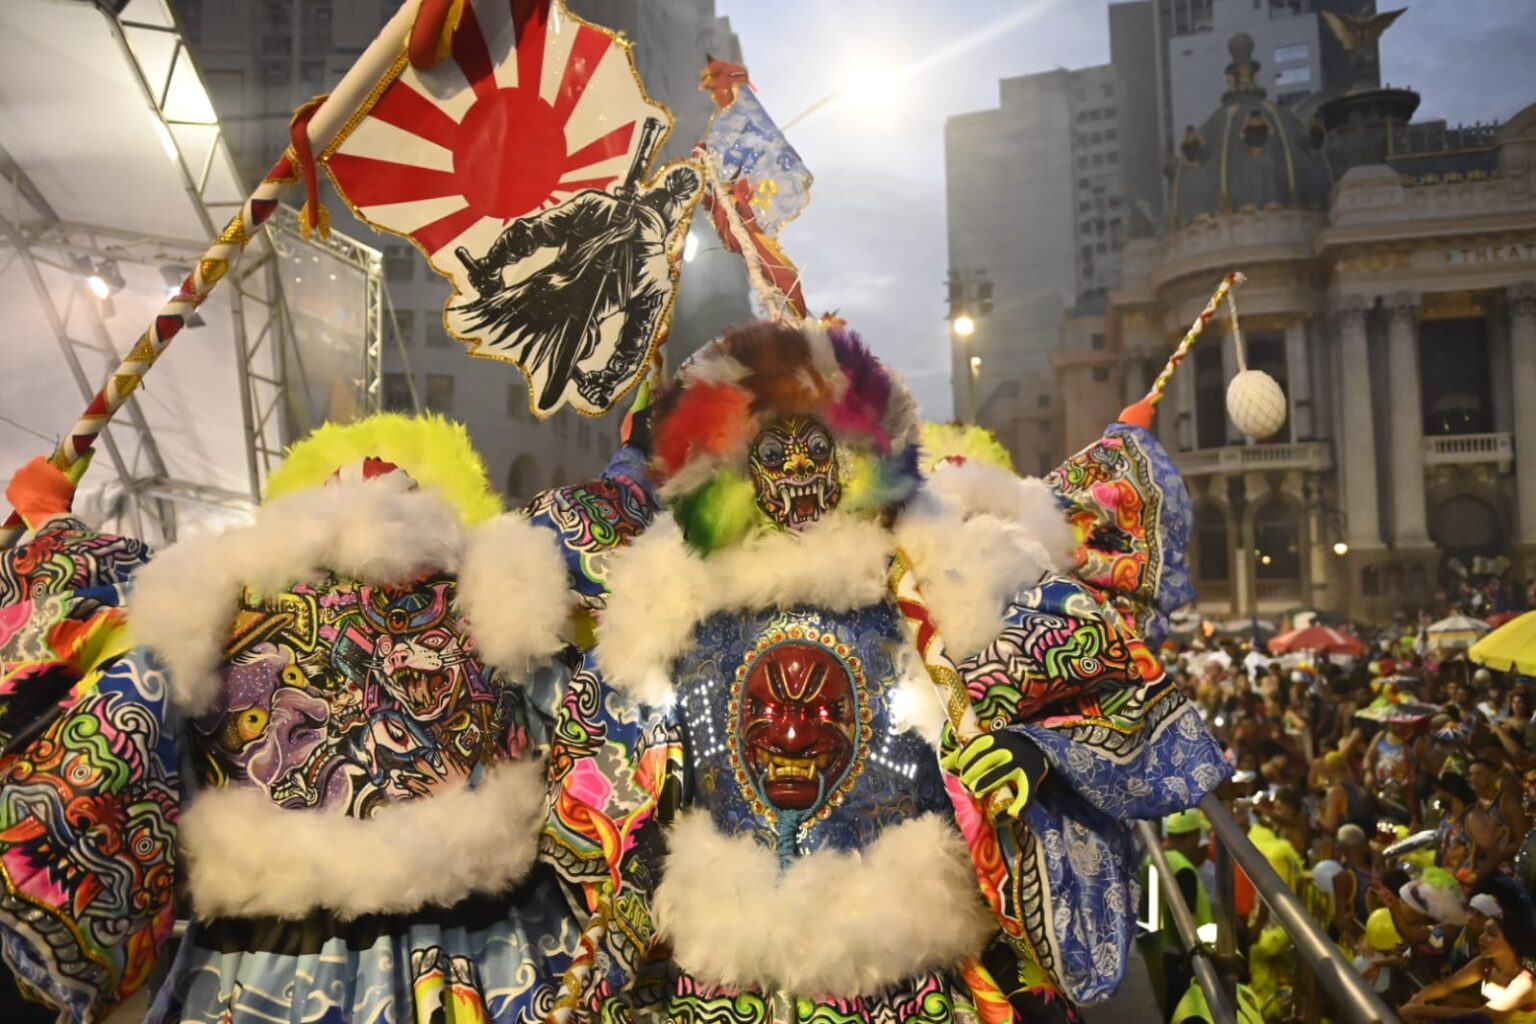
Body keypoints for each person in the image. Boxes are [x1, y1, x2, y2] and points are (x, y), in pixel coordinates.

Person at [542, 320, 1232, 1022]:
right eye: (770, 448)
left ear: (857, 453)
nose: (795, 470)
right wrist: (641, 816)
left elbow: (1108, 682)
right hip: (716, 986)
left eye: (815, 446)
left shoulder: (934, 575)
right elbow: (598, 759)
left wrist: (1036, 752)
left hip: (899, 983)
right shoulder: (680, 595)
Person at [0, 416, 589, 1024]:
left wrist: (51, 518)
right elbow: (595, 738)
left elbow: (97, 612)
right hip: (484, 959)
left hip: (265, 964)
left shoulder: (212, 600)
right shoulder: (502, 604)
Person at [454, 161, 701, 412]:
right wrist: (606, 381)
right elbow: (633, 343)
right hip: (573, 338)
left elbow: (529, 233)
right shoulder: (659, 273)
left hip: (529, 304)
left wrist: (492, 265)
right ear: (668, 224)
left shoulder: (597, 205)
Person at [1400, 884, 1536, 1022]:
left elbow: (1484, 1015)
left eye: (1491, 934)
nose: (1481, 937)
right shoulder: (1485, 964)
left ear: (1512, 943)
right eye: (1484, 931)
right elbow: (1446, 986)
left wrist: (1419, 1009)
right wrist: (1419, 998)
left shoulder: (1524, 983)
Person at [1160, 810, 1214, 1018]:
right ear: (1191, 836)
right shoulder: (1184, 869)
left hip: (1160, 953)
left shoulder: (1160, 858)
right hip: (1180, 961)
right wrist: (1195, 961)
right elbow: (1183, 922)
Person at [1436, 772, 1505, 890]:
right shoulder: (1446, 820)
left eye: (1439, 792)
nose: (1437, 796)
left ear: (1450, 792)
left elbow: (1494, 855)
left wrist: (1474, 878)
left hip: (1482, 886)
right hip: (1455, 884)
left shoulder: (1472, 818)